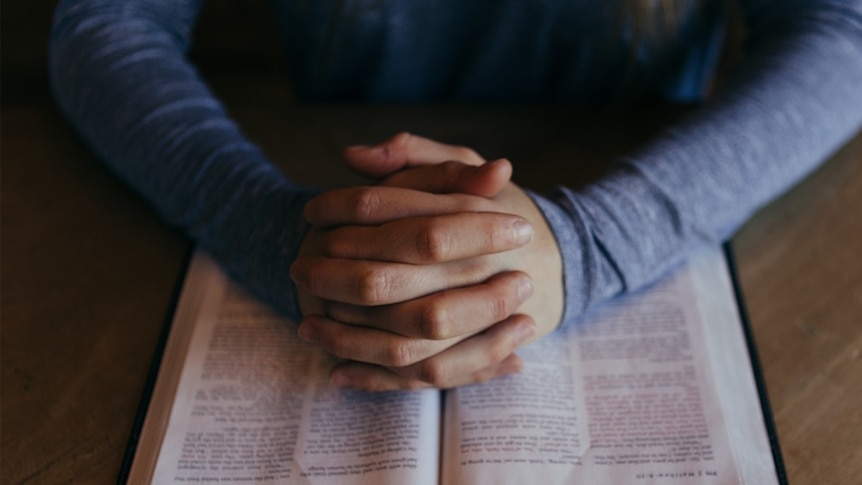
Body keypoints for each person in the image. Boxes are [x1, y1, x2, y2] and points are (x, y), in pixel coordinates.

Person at [50, 0, 862, 391]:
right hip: (325, 174)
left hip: (640, 166)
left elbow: (840, 29)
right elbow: (104, 25)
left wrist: (588, 244)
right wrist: (284, 234)